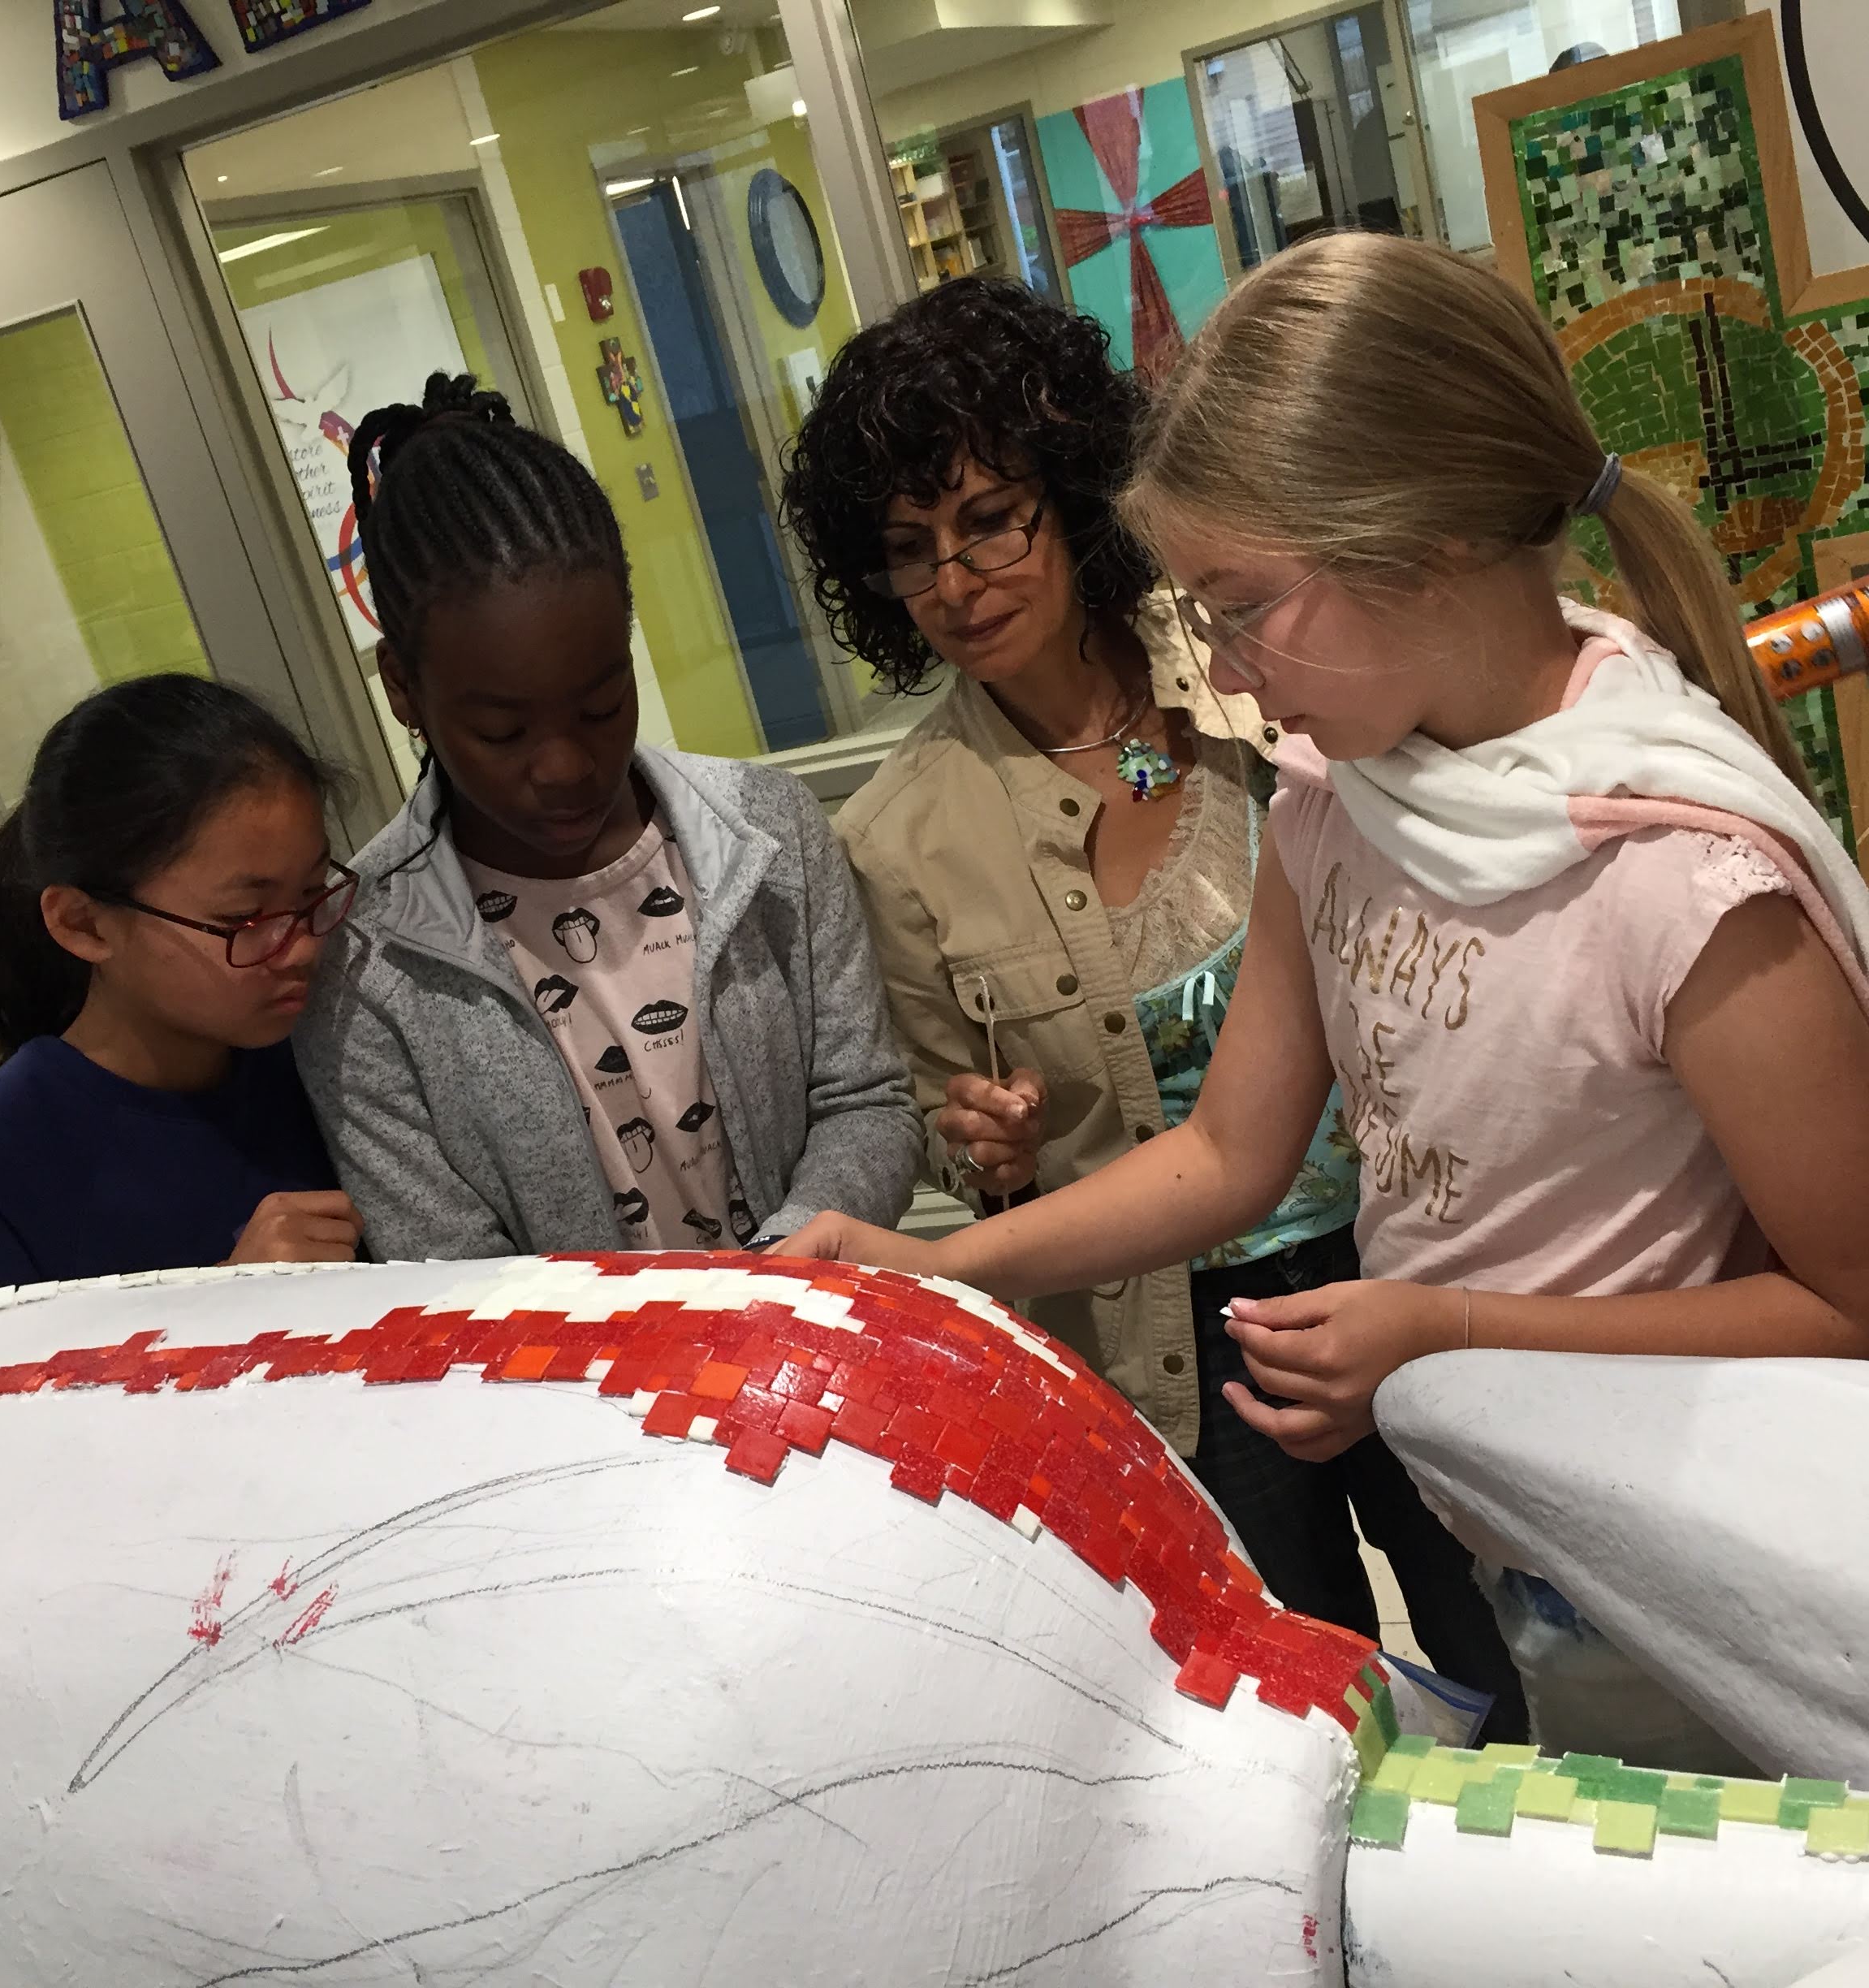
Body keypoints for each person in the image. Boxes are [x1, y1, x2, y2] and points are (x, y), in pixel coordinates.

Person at [776, 234, 1869, 1770]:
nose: (1222, 672)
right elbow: (1230, 1148)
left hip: (1687, 1553)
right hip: (1505, 1514)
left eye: (1239, 607)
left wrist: (1440, 1329)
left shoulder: (1680, 880)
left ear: (1419, 541)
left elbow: (1848, 1303)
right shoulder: (1332, 800)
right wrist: (942, 1265)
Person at [779, 275, 1525, 1728]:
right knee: (1310, 1701)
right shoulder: (900, 837)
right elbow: (954, 1133)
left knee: (1502, 1625)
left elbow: (1201, 806)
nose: (957, 580)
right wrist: (984, 1144)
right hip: (1175, 1335)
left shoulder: (1248, 683)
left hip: (1404, 1246)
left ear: (1070, 496)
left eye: (991, 519)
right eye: (910, 550)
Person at [294, 373, 919, 1260]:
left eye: (599, 706)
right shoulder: (365, 963)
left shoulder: (767, 832)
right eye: (502, 732)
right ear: (403, 687)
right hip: (568, 1360)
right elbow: (448, 1268)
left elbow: (865, 1102)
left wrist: (782, 1279)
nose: (565, 767)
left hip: (803, 1327)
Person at [0, 676, 358, 1303]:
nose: (300, 947)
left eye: (311, 893)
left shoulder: (329, 1052)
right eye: (242, 919)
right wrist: (228, 1299)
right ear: (84, 925)